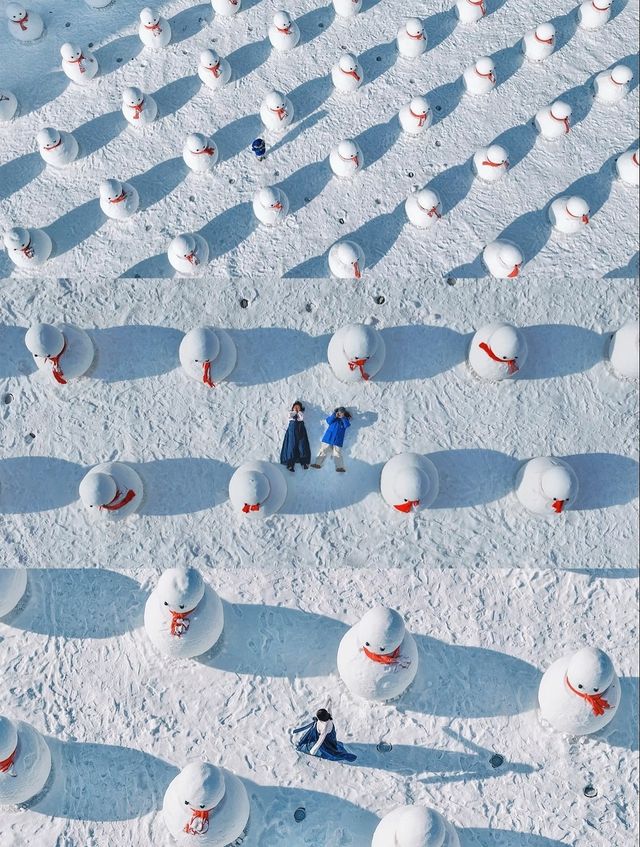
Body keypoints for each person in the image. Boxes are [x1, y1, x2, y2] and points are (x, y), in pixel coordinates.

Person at [311, 407, 352, 473]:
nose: (340, 414)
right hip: (328, 438)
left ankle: (340, 467)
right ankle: (317, 464)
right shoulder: (334, 418)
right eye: (339, 412)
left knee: (337, 453)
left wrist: (343, 417)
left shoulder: (345, 420)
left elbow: (347, 425)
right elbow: (328, 421)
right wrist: (334, 415)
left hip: (338, 440)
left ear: (344, 413)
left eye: (342, 413)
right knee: (323, 450)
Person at [280, 401, 311, 472]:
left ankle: (304, 462)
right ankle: (290, 464)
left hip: (301, 430)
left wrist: (299, 412)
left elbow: (301, 418)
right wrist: (295, 412)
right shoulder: (291, 413)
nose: (296, 408)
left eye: (298, 407)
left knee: (302, 446)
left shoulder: (301, 414)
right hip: (292, 430)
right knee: (291, 446)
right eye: (295, 407)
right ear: (293, 408)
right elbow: (290, 416)